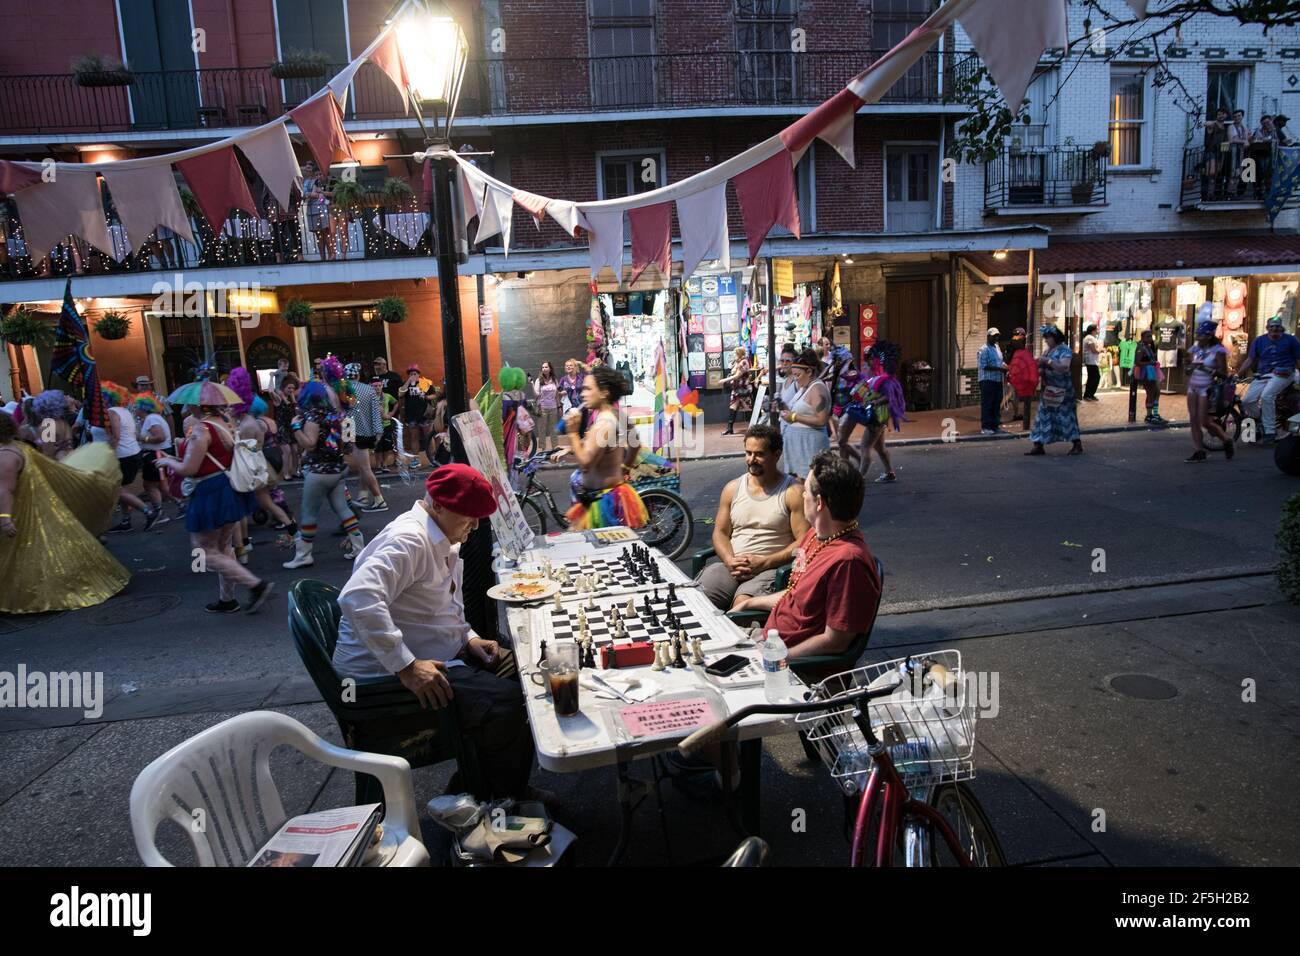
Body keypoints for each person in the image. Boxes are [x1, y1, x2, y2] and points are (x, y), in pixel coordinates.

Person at [331, 464, 535, 800]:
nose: (474, 526)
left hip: (436, 654)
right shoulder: (409, 539)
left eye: (478, 518)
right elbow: (358, 597)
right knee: (507, 705)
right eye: (468, 517)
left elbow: (440, 608)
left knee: (526, 675)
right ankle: (504, 800)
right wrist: (407, 667)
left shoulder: (440, 535)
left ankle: (478, 784)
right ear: (438, 504)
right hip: (382, 676)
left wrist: (468, 638)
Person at [731, 450, 880, 660]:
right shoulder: (815, 535)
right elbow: (796, 595)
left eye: (806, 490)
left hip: (793, 663)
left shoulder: (848, 562)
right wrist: (749, 603)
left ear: (819, 503)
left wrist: (776, 658)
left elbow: (836, 641)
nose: (802, 494)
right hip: (768, 640)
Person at [0, 410, 130, 613]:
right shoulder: (55, 423)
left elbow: (47, 448)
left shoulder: (47, 425)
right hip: (63, 459)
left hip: (60, 461)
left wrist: (5, 517)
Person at [155, 397, 274, 613]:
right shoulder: (226, 423)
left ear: (195, 406)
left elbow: (189, 468)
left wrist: (167, 461)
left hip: (210, 492)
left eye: (188, 404)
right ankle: (227, 599)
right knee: (224, 547)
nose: (186, 408)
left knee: (204, 551)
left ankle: (256, 585)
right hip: (227, 487)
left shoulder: (201, 429)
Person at [696, 424, 809, 611]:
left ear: (777, 454)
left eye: (759, 454)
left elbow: (803, 543)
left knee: (742, 607)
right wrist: (729, 560)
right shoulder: (732, 488)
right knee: (697, 600)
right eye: (748, 453)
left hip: (770, 570)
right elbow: (720, 533)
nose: (751, 460)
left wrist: (765, 562)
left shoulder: (793, 492)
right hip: (732, 567)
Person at [283, 379, 366, 569]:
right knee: (343, 510)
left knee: (308, 514)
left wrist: (295, 428)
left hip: (318, 472)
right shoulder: (342, 417)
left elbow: (309, 443)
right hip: (338, 470)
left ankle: (304, 555)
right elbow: (348, 446)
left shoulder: (313, 417)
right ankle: (359, 548)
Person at [562, 365, 648, 530]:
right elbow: (635, 443)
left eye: (588, 389)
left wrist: (572, 433)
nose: (582, 394)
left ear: (604, 392)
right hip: (608, 496)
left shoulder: (604, 423)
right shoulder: (615, 415)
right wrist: (625, 466)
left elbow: (586, 463)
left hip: (602, 503)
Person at [92, 381, 161, 531]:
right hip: (130, 454)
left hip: (121, 455)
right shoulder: (124, 411)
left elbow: (116, 437)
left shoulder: (112, 412)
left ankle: (148, 512)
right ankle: (126, 521)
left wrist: (106, 455)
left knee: (115, 489)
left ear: (106, 397)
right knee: (122, 489)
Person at [1237, 315, 1300, 444]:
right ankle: (1263, 418)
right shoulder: (1259, 341)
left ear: (1281, 328)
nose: (1275, 329)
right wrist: (1238, 373)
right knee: (1247, 401)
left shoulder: (1291, 340)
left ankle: (1270, 431)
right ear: (1267, 328)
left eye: (1277, 326)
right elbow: (1250, 359)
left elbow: (1298, 359)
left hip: (1284, 373)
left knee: (1267, 396)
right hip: (1263, 374)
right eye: (1272, 327)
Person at [1026, 326, 1083, 457]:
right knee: (1042, 417)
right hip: (1049, 390)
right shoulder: (1047, 351)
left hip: (1063, 392)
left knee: (1066, 418)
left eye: (1048, 337)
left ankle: (1077, 443)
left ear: (1055, 337)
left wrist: (1048, 361)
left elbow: (1063, 367)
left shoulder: (1065, 350)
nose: (1046, 340)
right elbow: (1043, 367)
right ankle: (1038, 444)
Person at [1183, 318, 1234, 463]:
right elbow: (1187, 369)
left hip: (1207, 388)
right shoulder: (1195, 350)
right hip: (1193, 386)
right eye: (1197, 335)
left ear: (1209, 336)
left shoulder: (1218, 351)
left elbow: (1224, 373)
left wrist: (1209, 370)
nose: (1198, 338)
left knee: (1204, 421)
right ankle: (1199, 450)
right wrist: (1188, 367)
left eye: (1201, 335)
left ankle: (1226, 440)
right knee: (1193, 420)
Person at [779, 348, 831, 478]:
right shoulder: (804, 387)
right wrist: (782, 406)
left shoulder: (818, 389)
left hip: (809, 445)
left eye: (798, 375)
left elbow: (821, 420)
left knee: (810, 484)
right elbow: (797, 412)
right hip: (799, 446)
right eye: (794, 375)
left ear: (809, 371)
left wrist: (794, 417)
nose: (796, 379)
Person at [343, 362, 387, 512]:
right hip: (368, 432)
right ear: (358, 375)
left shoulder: (344, 390)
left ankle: (379, 500)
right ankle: (362, 495)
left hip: (352, 432)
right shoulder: (369, 389)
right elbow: (376, 413)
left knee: (365, 467)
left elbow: (343, 413)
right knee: (364, 465)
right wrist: (378, 432)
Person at [133, 392, 178, 521]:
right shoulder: (152, 418)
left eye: (136, 406)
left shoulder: (151, 419)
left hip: (156, 455)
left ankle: (159, 513)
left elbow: (160, 437)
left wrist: (142, 438)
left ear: (143, 408)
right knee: (162, 485)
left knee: (149, 485)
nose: (134, 409)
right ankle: (180, 506)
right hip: (158, 454)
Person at [399, 364, 433, 466]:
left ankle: (433, 458)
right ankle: (416, 460)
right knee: (414, 437)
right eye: (411, 374)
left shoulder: (425, 383)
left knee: (429, 436)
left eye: (415, 373)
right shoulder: (406, 384)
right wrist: (409, 381)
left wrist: (426, 397)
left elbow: (434, 395)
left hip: (425, 414)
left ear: (419, 374)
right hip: (412, 415)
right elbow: (400, 394)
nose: (413, 375)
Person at [977, 327, 1008, 433]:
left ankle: (995, 425)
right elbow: (984, 366)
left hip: (997, 380)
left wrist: (1005, 366)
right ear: (988, 336)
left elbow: (1000, 361)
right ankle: (986, 427)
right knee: (987, 404)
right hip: (987, 380)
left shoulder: (997, 347)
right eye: (994, 336)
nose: (996, 338)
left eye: (997, 335)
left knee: (996, 403)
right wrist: (1000, 369)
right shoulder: (983, 349)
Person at [301, 161, 333, 261]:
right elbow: (304, 195)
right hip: (311, 208)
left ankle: (331, 255)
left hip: (320, 208)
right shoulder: (304, 181)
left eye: (309, 168)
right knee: (318, 234)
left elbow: (320, 196)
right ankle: (322, 256)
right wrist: (310, 195)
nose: (307, 170)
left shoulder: (317, 181)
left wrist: (311, 195)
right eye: (306, 168)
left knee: (325, 232)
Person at [1134, 329, 1167, 424]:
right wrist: (1150, 363)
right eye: (1148, 336)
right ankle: (1149, 415)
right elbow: (1137, 362)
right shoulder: (1141, 347)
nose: (1150, 338)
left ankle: (1155, 414)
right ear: (1142, 337)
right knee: (1151, 393)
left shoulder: (1148, 346)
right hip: (1146, 372)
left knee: (1156, 392)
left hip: (1151, 370)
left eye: (1151, 336)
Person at [31, 390, 75, 460]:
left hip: (59, 462)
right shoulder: (63, 422)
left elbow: (48, 452)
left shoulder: (48, 425)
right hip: (72, 457)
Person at [272, 375, 302, 480]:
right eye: (289, 388)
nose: (291, 390)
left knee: (295, 450)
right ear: (283, 388)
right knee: (287, 451)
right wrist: (271, 377)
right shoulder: (279, 399)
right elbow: (271, 391)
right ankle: (286, 473)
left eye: (292, 388)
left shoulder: (291, 398)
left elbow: (301, 386)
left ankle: (294, 471)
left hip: (291, 427)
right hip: (282, 428)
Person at [721, 346, 754, 436]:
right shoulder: (738, 362)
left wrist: (724, 380)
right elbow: (732, 371)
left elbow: (737, 375)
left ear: (739, 354)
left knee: (746, 407)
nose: (733, 355)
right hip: (736, 388)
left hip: (742, 388)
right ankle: (729, 428)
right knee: (733, 406)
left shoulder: (744, 362)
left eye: (735, 353)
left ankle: (753, 428)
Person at [531, 362, 560, 452]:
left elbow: (557, 394)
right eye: (543, 367)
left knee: (554, 429)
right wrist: (532, 383)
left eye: (546, 367)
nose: (544, 369)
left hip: (553, 408)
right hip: (542, 408)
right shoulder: (539, 380)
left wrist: (559, 406)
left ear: (550, 368)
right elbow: (536, 395)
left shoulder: (554, 379)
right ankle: (543, 449)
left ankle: (555, 447)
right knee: (542, 429)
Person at [1203, 107, 1229, 201]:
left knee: (1216, 174)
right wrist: (1212, 122)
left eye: (1223, 114)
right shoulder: (1213, 125)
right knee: (1211, 172)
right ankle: (1207, 193)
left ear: (1226, 115)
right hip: (1211, 151)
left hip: (1220, 152)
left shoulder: (1225, 128)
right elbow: (1206, 124)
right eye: (1219, 114)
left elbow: (1225, 142)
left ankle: (1212, 193)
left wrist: (1223, 154)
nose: (1221, 116)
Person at [1082, 324, 1102, 401]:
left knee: (1093, 377)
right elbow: (1093, 350)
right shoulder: (1089, 338)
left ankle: (1090, 395)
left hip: (1092, 361)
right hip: (1091, 361)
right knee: (1095, 377)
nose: (1098, 331)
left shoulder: (1091, 338)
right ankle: (1088, 395)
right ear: (1093, 330)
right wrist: (1100, 350)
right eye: (1097, 329)